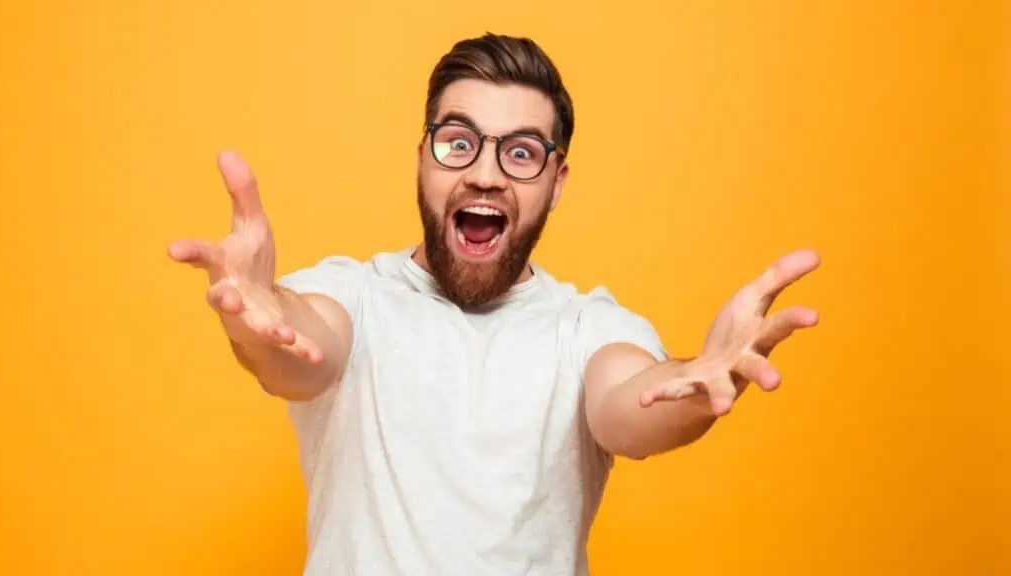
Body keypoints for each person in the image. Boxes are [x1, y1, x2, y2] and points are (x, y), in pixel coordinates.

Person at [168, 32, 820, 576]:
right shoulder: (355, 296)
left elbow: (630, 409)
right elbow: (298, 353)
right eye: (459, 142)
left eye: (521, 153)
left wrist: (696, 382)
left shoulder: (587, 329)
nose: (484, 173)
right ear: (423, 157)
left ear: (556, 183)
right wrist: (253, 317)